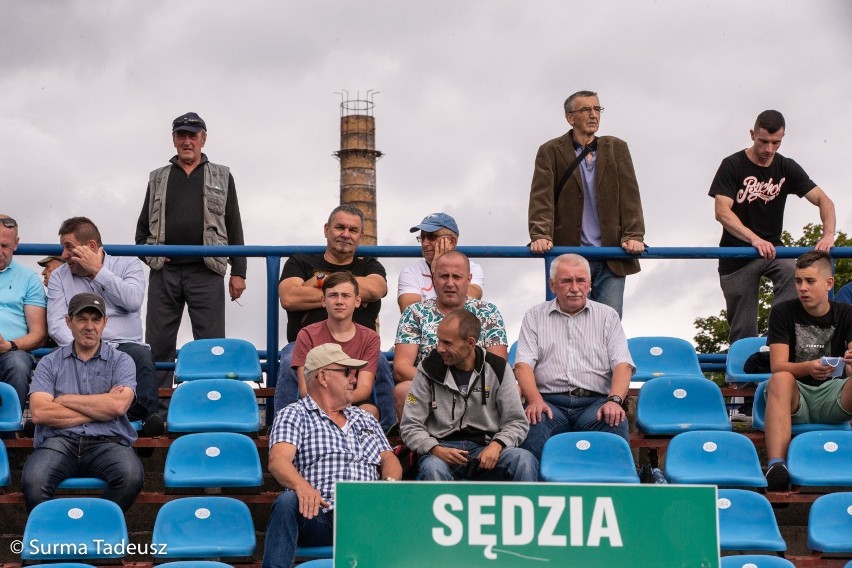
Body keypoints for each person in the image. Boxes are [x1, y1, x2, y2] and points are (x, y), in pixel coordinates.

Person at [135, 112, 247, 397]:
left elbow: (233, 224)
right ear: (173, 140)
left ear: (203, 139)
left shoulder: (222, 175)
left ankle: (208, 403)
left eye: (192, 136)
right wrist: (153, 257)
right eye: (181, 135)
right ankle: (156, 412)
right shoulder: (158, 178)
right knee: (158, 346)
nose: (187, 141)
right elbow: (141, 232)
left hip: (206, 271)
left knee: (211, 346)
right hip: (165, 272)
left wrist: (239, 272)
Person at [262, 343, 401, 568]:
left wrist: (387, 486)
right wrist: (302, 487)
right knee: (287, 500)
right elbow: (278, 460)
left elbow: (389, 458)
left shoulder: (364, 417)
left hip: (367, 511)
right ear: (323, 377)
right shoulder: (295, 414)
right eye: (347, 372)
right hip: (320, 515)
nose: (354, 380)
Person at [709, 109, 835, 343]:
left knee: (791, 270)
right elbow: (722, 211)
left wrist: (828, 235)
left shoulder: (786, 167)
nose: (769, 149)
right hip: (737, 254)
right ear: (752, 134)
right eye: (763, 141)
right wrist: (754, 239)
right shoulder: (732, 165)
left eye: (775, 142)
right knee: (743, 327)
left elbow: (824, 200)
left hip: (773, 251)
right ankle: (743, 378)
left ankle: (774, 341)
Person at [21, 292, 143, 512]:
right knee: (33, 481)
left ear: (105, 322)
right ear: (69, 322)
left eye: (96, 319)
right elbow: (39, 413)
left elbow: (117, 406)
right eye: (82, 319)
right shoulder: (49, 362)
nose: (90, 326)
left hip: (107, 442)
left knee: (131, 476)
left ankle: (94, 529)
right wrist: (101, 409)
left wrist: (64, 400)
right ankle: (55, 541)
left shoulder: (122, 361)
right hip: (58, 441)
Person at [528, 90, 645, 318]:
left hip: (611, 254)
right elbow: (541, 198)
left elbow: (630, 196)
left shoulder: (616, 148)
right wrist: (540, 234)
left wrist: (634, 235)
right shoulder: (550, 151)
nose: (593, 115)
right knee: (563, 321)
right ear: (570, 117)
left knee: (608, 323)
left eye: (597, 109)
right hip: (569, 255)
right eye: (586, 109)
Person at [277, 204, 394, 428]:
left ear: (360, 236)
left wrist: (318, 280)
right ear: (326, 229)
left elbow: (375, 289)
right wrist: (350, 286)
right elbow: (290, 298)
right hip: (308, 345)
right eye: (340, 227)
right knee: (290, 358)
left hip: (358, 346)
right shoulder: (300, 261)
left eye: (352, 230)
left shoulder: (370, 265)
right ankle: (284, 430)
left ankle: (389, 436)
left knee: (380, 360)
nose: (345, 234)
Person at [47, 217, 162, 435]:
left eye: (69, 247)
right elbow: (56, 324)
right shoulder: (59, 277)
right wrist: (86, 345)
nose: (63, 256)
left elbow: (133, 300)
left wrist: (99, 272)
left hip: (126, 346)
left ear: (91, 247)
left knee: (142, 357)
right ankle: (52, 421)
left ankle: (144, 425)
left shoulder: (128, 264)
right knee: (54, 359)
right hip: (78, 345)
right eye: (63, 248)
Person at [515, 253, 634, 462]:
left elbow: (623, 365)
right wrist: (534, 400)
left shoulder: (608, 316)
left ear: (590, 284)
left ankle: (615, 491)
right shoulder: (534, 316)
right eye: (566, 281)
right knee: (534, 418)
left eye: (581, 280)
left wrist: (614, 401)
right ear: (552, 285)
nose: (575, 287)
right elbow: (523, 366)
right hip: (549, 402)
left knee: (614, 418)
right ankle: (538, 491)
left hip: (594, 403)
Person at [400, 310, 538, 481]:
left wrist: (497, 445)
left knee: (523, 460)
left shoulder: (499, 368)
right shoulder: (427, 369)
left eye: (447, 343)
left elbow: (516, 421)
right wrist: (435, 449)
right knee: (432, 467)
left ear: (471, 343)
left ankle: (524, 508)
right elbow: (410, 425)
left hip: (486, 450)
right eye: (439, 340)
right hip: (441, 452)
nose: (439, 348)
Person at [763, 250, 852, 491]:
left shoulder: (847, 313)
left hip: (833, 396)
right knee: (780, 378)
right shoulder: (783, 311)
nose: (802, 287)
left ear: (828, 283)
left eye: (810, 281)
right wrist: (808, 367)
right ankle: (776, 467)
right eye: (798, 280)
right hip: (796, 395)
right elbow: (777, 365)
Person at [394, 250, 508, 422]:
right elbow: (401, 368)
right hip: (430, 387)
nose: (450, 283)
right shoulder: (414, 313)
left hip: (477, 389)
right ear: (433, 278)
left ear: (468, 280)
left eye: (456, 277)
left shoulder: (488, 312)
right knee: (403, 390)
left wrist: (463, 386)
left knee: (509, 388)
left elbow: (498, 367)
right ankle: (417, 447)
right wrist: (443, 384)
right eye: (443, 276)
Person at [273, 271, 386, 424]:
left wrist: (339, 403)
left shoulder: (370, 337)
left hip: (351, 399)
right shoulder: (307, 334)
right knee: (292, 415)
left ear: (357, 301)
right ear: (323, 301)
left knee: (370, 411)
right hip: (317, 401)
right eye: (333, 295)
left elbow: (365, 388)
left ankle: (385, 442)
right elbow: (305, 389)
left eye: (346, 296)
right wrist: (329, 406)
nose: (339, 301)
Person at [0, 215, 47, 408]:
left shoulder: (29, 278)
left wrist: (9, 345)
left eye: (4, 246)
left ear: (16, 244)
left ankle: (10, 433)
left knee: (18, 365)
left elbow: (39, 333)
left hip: (12, 351)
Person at [397, 212, 484, 312]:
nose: (425, 243)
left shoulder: (472, 268)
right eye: (422, 237)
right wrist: (437, 271)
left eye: (432, 237)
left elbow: (467, 306)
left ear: (452, 242)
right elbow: (411, 316)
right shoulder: (411, 271)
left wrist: (438, 269)